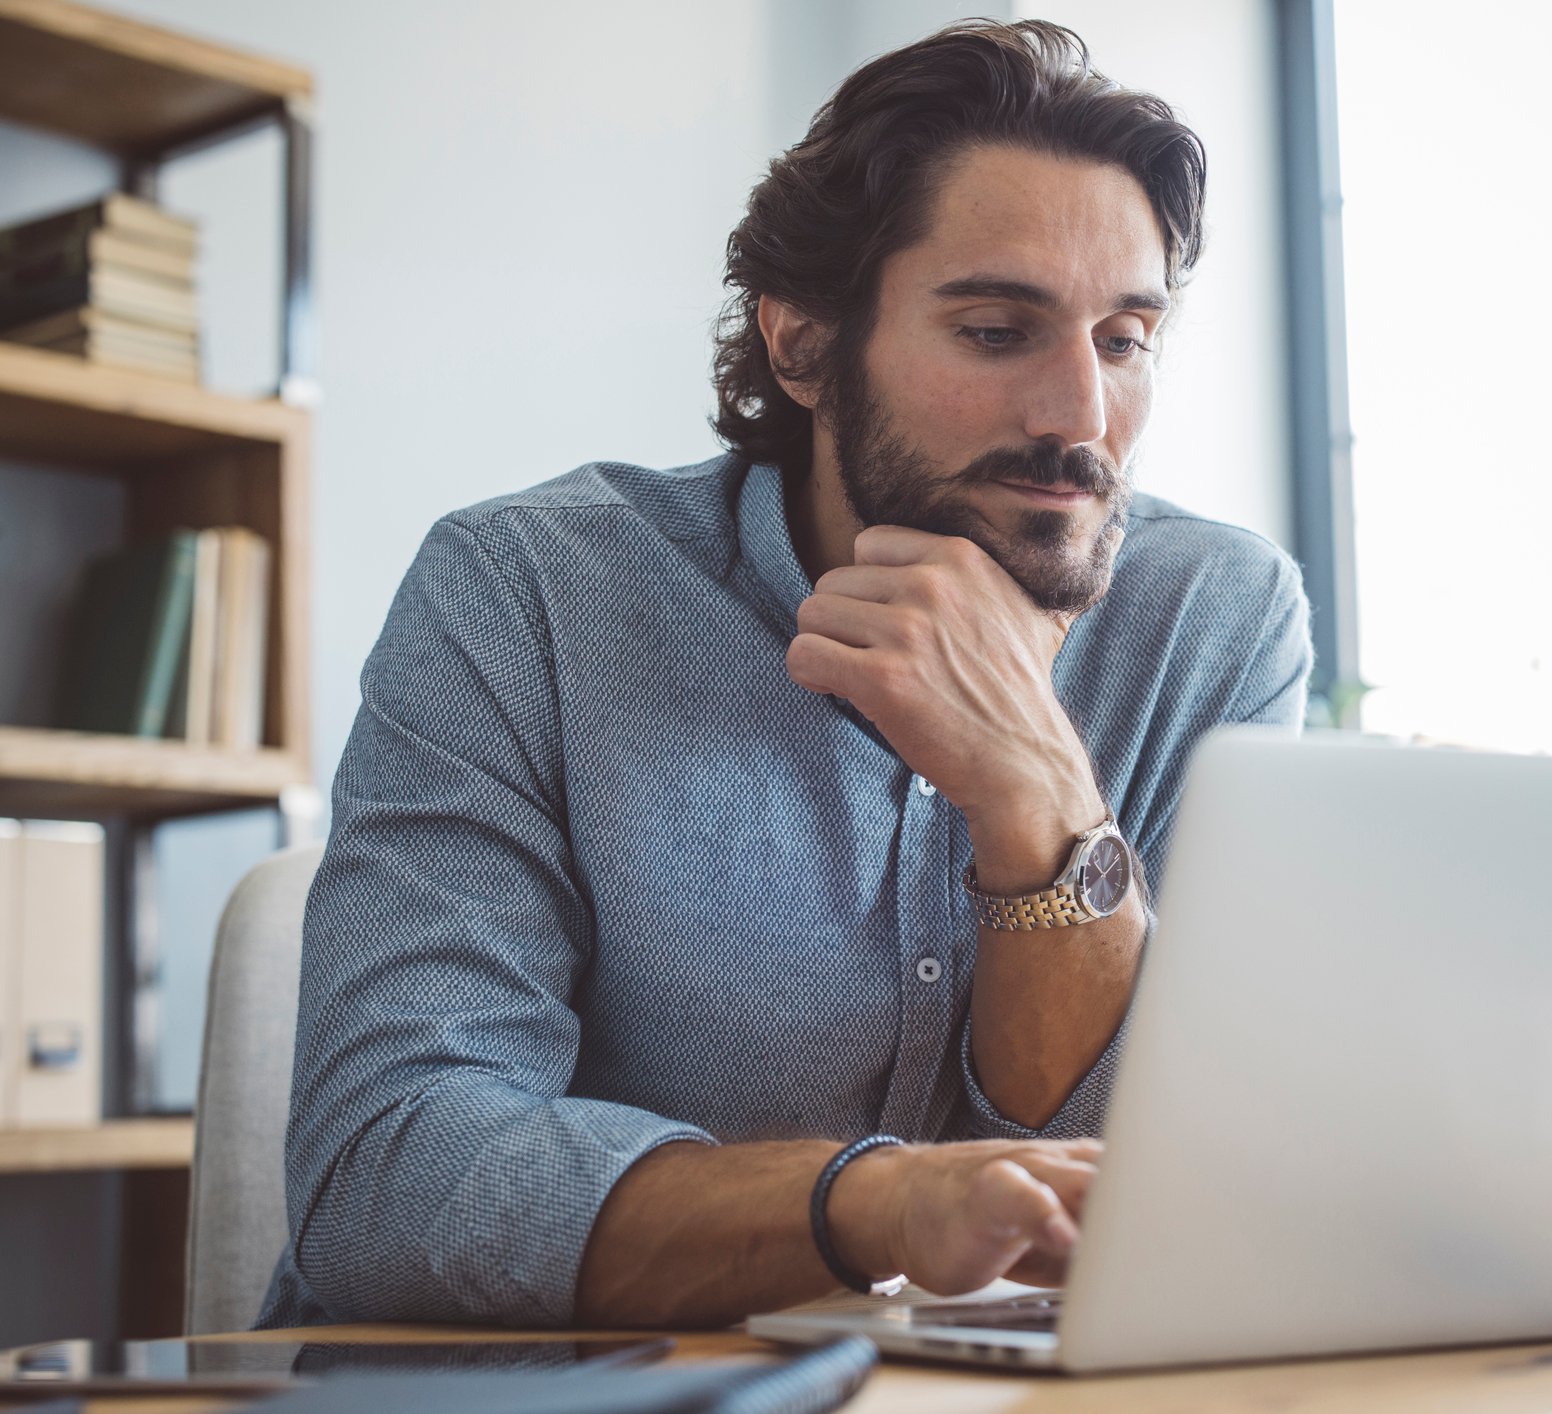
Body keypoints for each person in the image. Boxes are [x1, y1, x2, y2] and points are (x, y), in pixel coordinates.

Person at [258, 19, 1311, 1330]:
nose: (1078, 418)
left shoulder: (1219, 618)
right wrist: (874, 1207)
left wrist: (1036, 786)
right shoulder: (526, 593)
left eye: (1125, 338)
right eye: (997, 330)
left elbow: (1157, 1189)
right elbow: (389, 1181)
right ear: (804, 345)